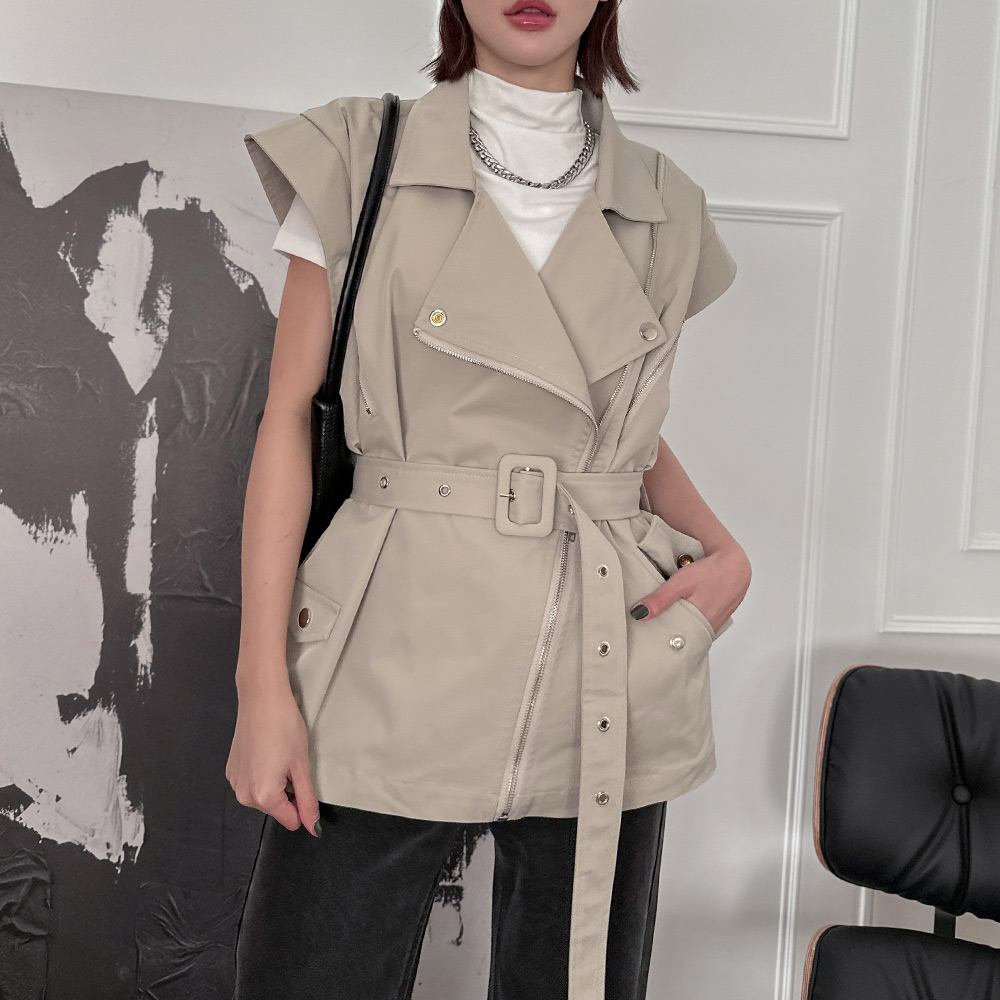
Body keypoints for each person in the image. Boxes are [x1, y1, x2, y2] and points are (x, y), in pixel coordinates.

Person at [228, 1, 752, 997]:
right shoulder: (357, 156)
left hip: (601, 658)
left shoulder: (665, 205)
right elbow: (288, 417)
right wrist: (262, 689)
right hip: (389, 646)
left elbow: (608, 438)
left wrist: (723, 554)